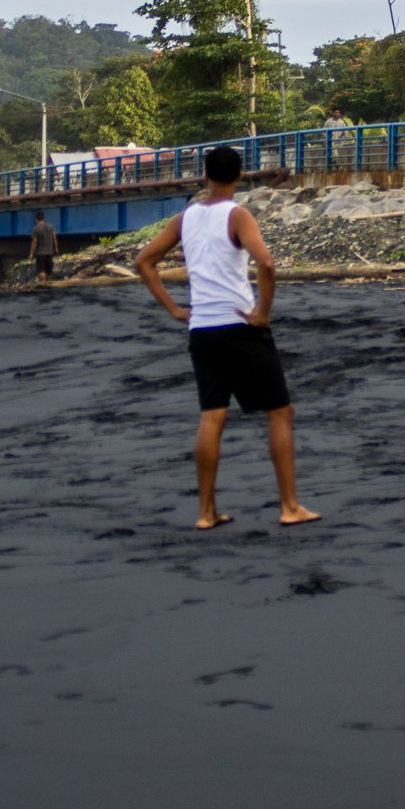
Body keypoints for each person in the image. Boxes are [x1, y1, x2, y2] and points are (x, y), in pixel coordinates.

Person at [134, 146, 319, 530]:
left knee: (212, 416)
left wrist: (173, 308)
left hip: (201, 328)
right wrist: (263, 313)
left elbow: (143, 262)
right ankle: (289, 505)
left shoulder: (186, 217)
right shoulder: (236, 214)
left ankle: (206, 512)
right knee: (280, 411)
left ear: (206, 175)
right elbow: (266, 263)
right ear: (238, 177)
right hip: (238, 326)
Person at [30, 212, 58, 284]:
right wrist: (56, 249)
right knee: (49, 270)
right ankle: (49, 284)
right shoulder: (51, 227)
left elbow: (34, 242)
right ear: (44, 218)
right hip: (49, 253)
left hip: (40, 254)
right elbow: (54, 239)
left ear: (36, 219)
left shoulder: (35, 229)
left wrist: (31, 254)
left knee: (41, 270)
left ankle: (43, 284)